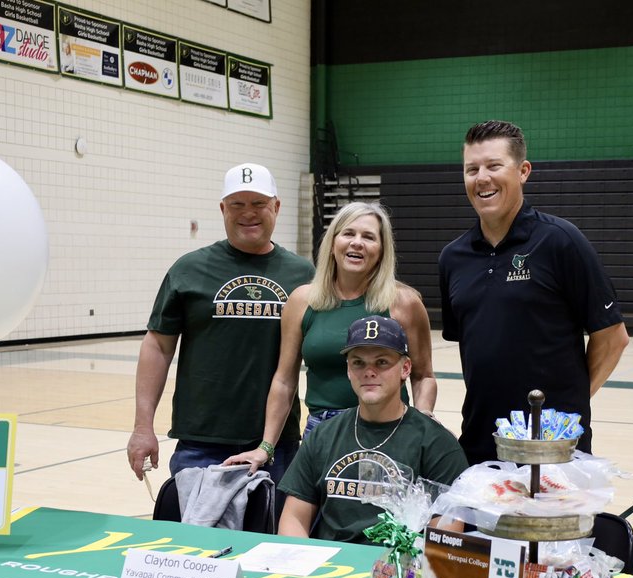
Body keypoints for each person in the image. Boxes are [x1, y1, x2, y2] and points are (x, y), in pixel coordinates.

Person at [439, 120, 629, 463]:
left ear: (523, 171)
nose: (482, 177)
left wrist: (566, 412)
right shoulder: (453, 257)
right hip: (481, 440)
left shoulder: (560, 241)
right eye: (472, 169)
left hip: (553, 446)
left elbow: (613, 337)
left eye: (494, 166)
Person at [127, 163, 315, 486]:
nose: (248, 214)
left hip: (275, 445)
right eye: (237, 205)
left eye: (258, 204)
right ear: (222, 209)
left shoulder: (303, 276)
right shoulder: (189, 270)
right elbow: (157, 346)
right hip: (201, 445)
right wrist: (143, 426)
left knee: (271, 536)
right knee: (199, 538)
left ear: (277, 206)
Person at [225, 202, 436, 473]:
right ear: (333, 242)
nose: (357, 243)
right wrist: (265, 447)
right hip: (322, 431)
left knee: (383, 516)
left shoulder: (403, 303)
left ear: (382, 250)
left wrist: (423, 423)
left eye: (369, 237)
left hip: (389, 429)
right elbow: (284, 379)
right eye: (348, 234)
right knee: (311, 514)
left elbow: (423, 376)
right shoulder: (302, 300)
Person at [277, 316, 468, 544]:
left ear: (405, 368)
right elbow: (293, 519)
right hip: (329, 568)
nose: (369, 372)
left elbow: (448, 533)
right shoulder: (324, 435)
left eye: (382, 363)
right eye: (358, 363)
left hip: (401, 570)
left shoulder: (436, 442)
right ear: (348, 370)